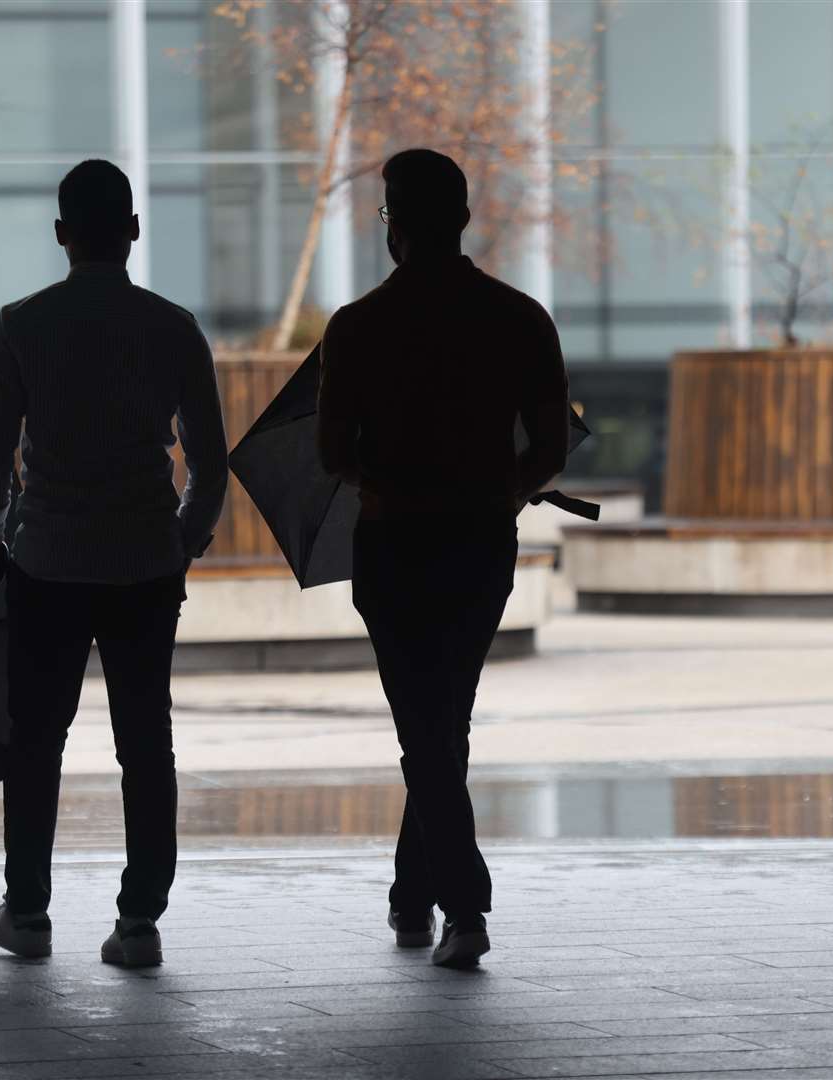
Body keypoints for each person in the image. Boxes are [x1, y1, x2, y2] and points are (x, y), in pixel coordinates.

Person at [0, 159, 228, 967]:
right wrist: (182, 539)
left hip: (46, 560)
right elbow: (212, 463)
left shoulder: (20, 324)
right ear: (135, 231)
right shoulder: (174, 327)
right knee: (146, 745)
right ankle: (140, 921)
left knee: (34, 741)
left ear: (61, 234)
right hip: (145, 562)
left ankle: (29, 912)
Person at [317, 149, 570, 969]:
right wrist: (505, 489)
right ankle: (410, 895)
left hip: (391, 544)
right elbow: (553, 443)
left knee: (425, 726)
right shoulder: (519, 318)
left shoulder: (356, 329)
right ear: (463, 218)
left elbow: (330, 452)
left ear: (392, 225)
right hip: (478, 543)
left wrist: (380, 477)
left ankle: (464, 906)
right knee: (441, 722)